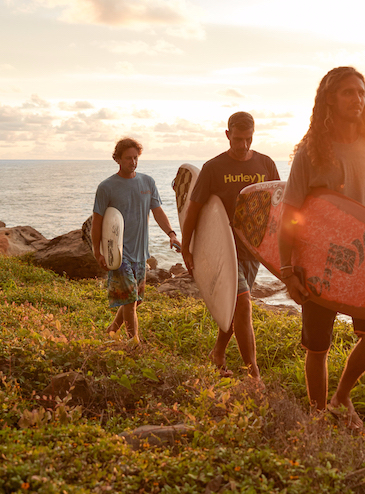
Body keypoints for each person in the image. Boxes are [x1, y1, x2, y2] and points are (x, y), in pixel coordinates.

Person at [278, 66, 365, 431]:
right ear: (329, 98)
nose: (357, 99)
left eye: (361, 93)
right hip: (317, 260)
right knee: (318, 345)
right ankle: (317, 417)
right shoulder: (310, 153)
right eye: (348, 92)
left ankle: (341, 398)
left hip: (362, 257)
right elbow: (291, 214)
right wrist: (287, 270)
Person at [180, 112, 280, 382]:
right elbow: (194, 210)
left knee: (233, 305)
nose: (243, 145)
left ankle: (218, 353)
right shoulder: (213, 168)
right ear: (227, 135)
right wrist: (187, 248)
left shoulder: (266, 164)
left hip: (252, 249)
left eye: (249, 139)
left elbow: (276, 206)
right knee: (243, 303)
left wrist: (276, 247)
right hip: (222, 249)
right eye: (238, 139)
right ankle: (253, 374)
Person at [91, 137, 179, 344]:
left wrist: (171, 234)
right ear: (117, 159)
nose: (133, 162)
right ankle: (134, 343)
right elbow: (98, 222)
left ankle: (112, 329)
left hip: (140, 253)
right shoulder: (106, 187)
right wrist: (97, 251)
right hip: (118, 253)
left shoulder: (147, 182)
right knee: (130, 303)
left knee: (136, 301)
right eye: (128, 158)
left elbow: (158, 212)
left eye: (135, 158)